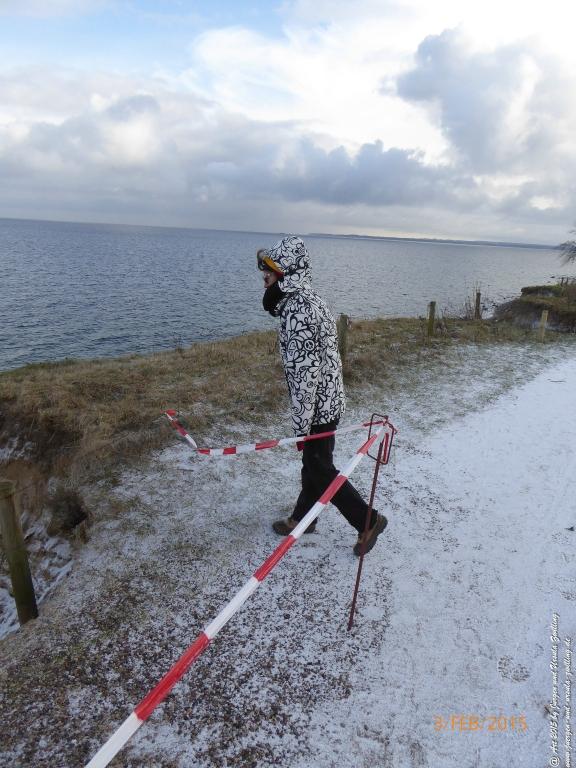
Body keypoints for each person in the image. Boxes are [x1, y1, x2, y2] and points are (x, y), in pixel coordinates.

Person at [257, 235, 388, 556]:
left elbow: (304, 375)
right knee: (315, 464)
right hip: (328, 400)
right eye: (264, 269)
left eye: (270, 269)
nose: (264, 276)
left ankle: (367, 520)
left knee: (319, 468)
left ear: (286, 273)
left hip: (318, 406)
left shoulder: (297, 310)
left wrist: (301, 427)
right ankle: (304, 518)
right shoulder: (306, 299)